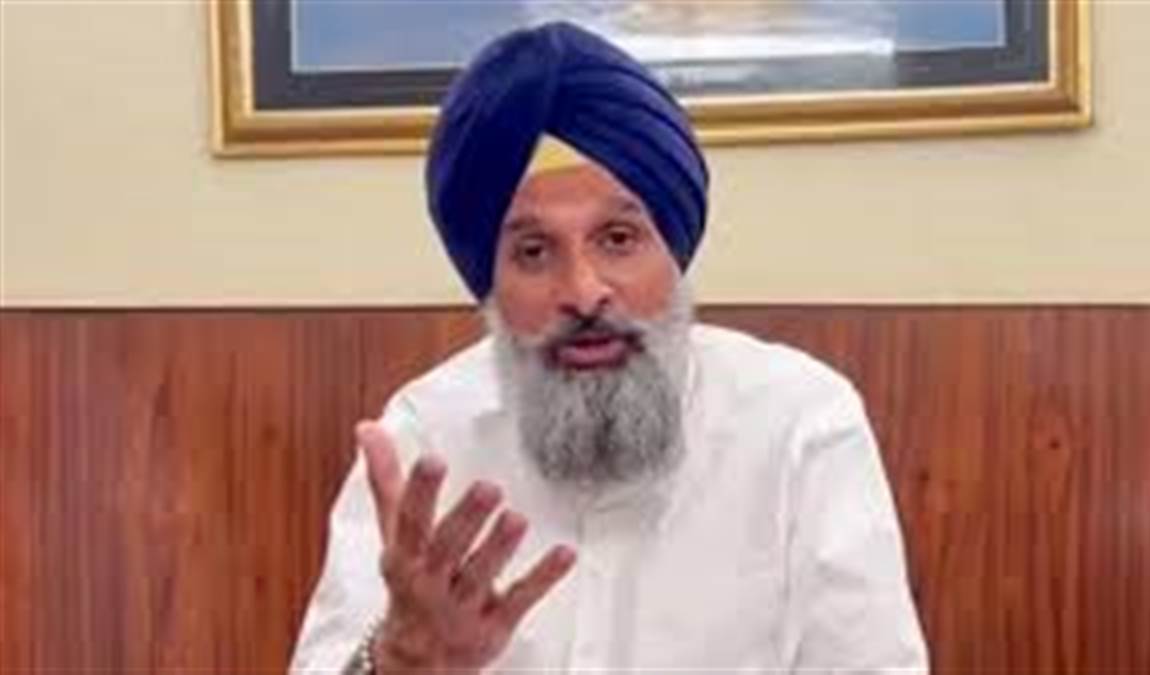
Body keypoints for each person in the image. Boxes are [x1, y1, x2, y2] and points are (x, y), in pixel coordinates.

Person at [291, 21, 927, 673]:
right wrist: (396, 662)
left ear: (673, 252)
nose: (584, 292)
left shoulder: (800, 423)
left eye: (618, 239)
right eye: (533, 251)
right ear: (490, 285)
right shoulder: (424, 436)